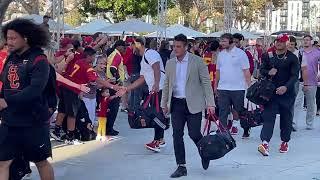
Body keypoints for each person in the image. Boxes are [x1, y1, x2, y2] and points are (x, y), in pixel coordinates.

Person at [0, 18, 54, 180]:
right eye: (7, 38)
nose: (9, 42)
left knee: (41, 162)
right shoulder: (11, 58)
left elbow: (35, 90)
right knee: (3, 162)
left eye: (13, 38)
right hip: (10, 121)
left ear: (26, 38)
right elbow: (5, 84)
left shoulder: (39, 60)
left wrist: (7, 101)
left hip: (33, 121)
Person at [161, 34, 215, 178]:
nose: (175, 49)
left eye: (179, 46)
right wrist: (164, 103)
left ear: (186, 47)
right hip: (176, 103)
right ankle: (181, 166)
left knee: (194, 133)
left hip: (194, 103)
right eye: (174, 46)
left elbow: (206, 83)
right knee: (177, 134)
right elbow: (166, 84)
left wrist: (211, 103)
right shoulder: (170, 63)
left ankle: (205, 153)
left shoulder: (197, 61)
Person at [116, 37, 166, 152]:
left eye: (132, 45)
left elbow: (156, 67)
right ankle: (160, 140)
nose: (130, 48)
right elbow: (142, 78)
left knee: (156, 114)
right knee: (157, 114)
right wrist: (126, 89)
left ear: (138, 44)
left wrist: (157, 83)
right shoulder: (144, 58)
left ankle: (157, 141)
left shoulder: (150, 53)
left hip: (159, 88)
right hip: (155, 89)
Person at [258, 34, 299, 156]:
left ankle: (285, 142)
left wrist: (286, 87)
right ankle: (265, 143)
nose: (278, 43)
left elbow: (294, 76)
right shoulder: (268, 55)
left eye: (281, 41)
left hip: (287, 93)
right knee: (268, 117)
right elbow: (262, 70)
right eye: (277, 41)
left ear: (286, 43)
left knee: (286, 119)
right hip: (271, 93)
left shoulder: (292, 58)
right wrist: (268, 72)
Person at [52, 47, 98, 145]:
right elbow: (94, 80)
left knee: (63, 110)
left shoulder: (79, 61)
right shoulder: (86, 66)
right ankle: (70, 137)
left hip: (65, 86)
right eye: (94, 56)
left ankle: (56, 131)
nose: (95, 58)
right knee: (72, 114)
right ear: (89, 56)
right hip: (72, 89)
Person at [214, 33, 251, 138]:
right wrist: (215, 85)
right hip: (223, 88)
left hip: (238, 88)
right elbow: (218, 71)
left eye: (224, 41)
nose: (221, 43)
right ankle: (223, 132)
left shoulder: (241, 54)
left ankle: (246, 128)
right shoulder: (221, 54)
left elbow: (246, 71)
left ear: (231, 41)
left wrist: (249, 87)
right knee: (223, 111)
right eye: (221, 41)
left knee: (240, 111)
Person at [106, 40, 126, 136]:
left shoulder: (112, 54)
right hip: (114, 85)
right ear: (119, 46)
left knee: (111, 107)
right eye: (124, 46)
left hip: (110, 83)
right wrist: (118, 78)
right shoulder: (117, 55)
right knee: (114, 107)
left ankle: (108, 127)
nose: (125, 49)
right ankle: (109, 129)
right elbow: (113, 68)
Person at [301, 35, 320, 130]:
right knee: (296, 103)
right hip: (299, 81)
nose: (305, 42)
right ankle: (293, 123)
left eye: (307, 40)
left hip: (312, 81)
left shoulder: (317, 53)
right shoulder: (300, 52)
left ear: (312, 42)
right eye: (304, 40)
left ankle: (309, 123)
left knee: (310, 103)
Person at [288, 36, 303, 132]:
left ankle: (292, 123)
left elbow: (303, 67)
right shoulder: (283, 53)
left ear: (295, 45)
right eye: (288, 44)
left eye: (292, 44)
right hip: (284, 80)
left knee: (293, 101)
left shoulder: (299, 54)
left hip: (295, 81)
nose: (290, 46)